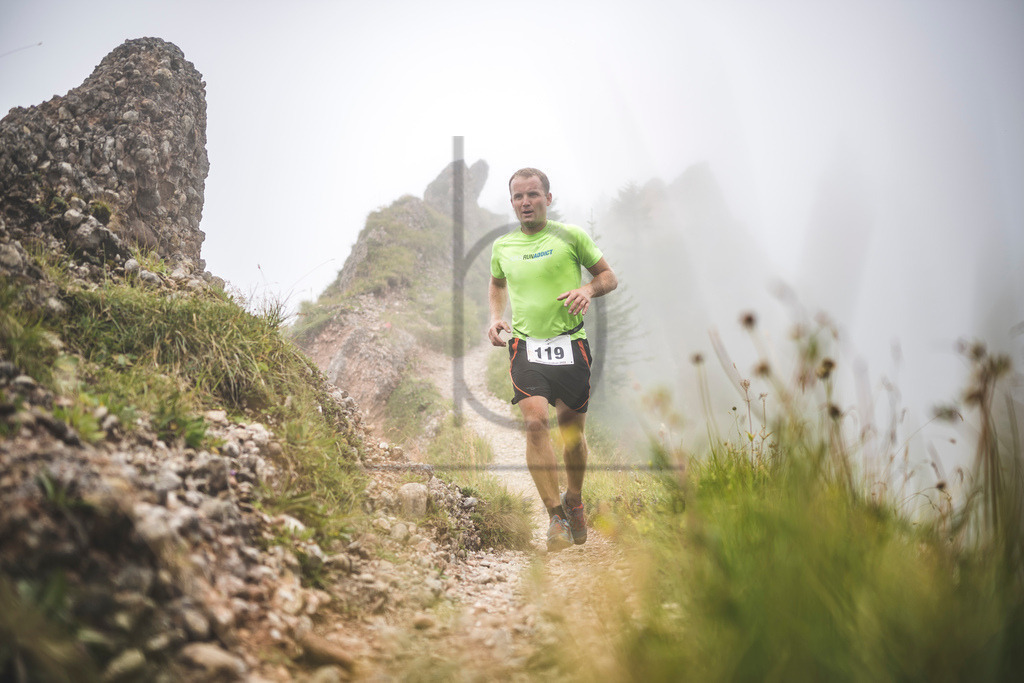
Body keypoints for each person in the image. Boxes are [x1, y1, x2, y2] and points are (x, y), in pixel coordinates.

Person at [487, 167, 618, 552]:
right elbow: (497, 283)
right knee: (534, 424)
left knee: (572, 436)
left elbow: (609, 276)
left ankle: (574, 499)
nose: (525, 202)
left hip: (570, 344)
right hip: (526, 346)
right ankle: (554, 517)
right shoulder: (503, 247)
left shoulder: (571, 236)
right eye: (518, 197)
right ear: (512, 202)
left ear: (548, 198)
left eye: (533, 195)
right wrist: (495, 318)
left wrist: (588, 290)